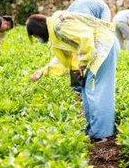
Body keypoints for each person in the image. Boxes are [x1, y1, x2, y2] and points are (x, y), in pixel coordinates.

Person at [26, 11, 120, 141]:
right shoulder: (56, 29)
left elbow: (86, 38)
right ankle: (93, 129)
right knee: (88, 91)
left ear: (38, 30)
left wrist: (83, 61)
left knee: (97, 92)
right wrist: (43, 71)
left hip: (103, 47)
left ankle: (102, 134)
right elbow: (64, 57)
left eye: (36, 37)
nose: (39, 39)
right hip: (97, 50)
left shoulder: (59, 26)